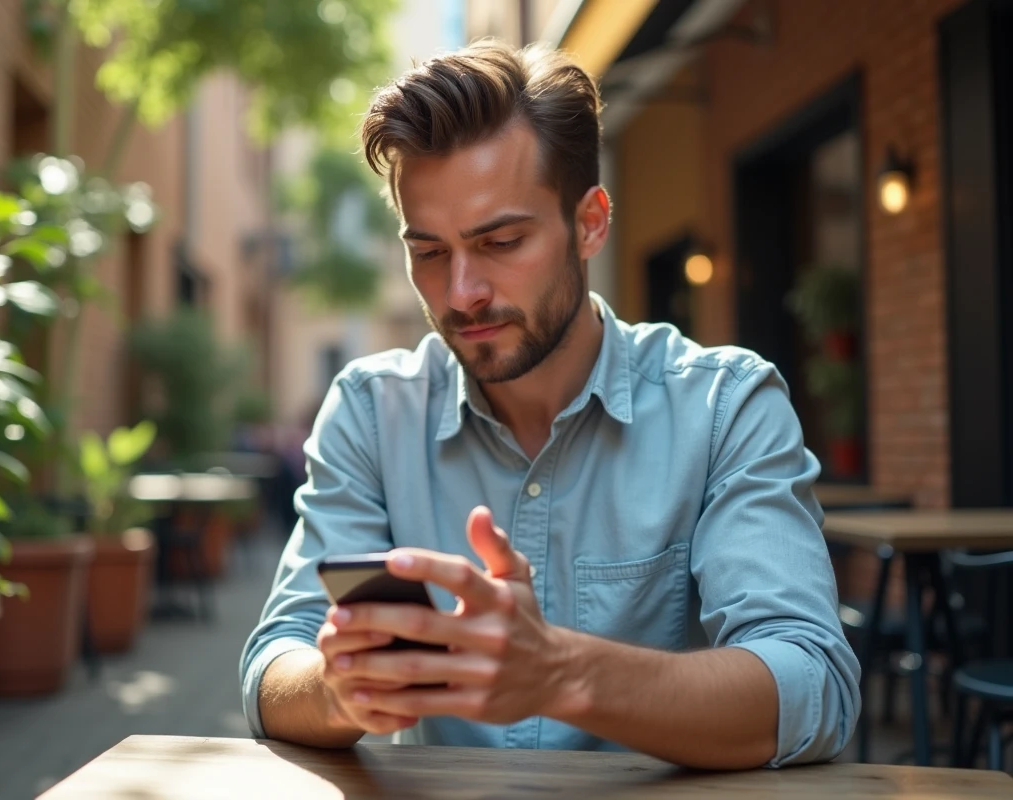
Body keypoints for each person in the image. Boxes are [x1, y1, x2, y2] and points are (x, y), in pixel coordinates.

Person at [239, 40, 860, 769]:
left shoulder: (724, 405)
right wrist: (339, 693)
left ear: (591, 223)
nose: (462, 292)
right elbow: (271, 667)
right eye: (430, 252)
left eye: (500, 241)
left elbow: (813, 684)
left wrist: (562, 672)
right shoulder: (373, 413)